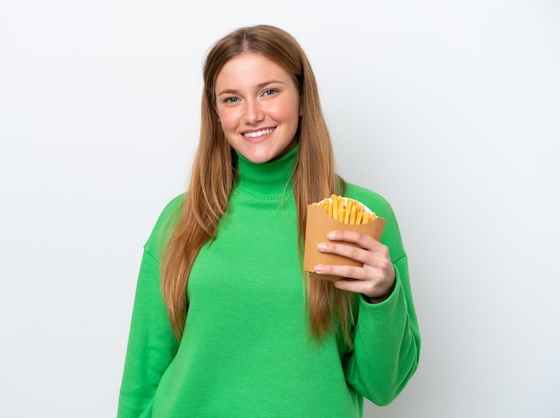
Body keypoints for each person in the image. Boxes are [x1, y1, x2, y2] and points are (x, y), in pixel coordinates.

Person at [117, 24, 420, 418]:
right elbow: (144, 373)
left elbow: (383, 386)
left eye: (269, 91)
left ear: (302, 98)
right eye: (231, 99)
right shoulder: (182, 218)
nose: (252, 114)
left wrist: (383, 295)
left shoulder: (357, 214)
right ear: (216, 112)